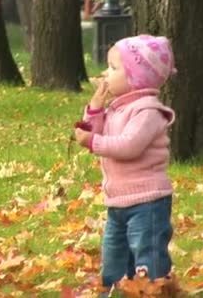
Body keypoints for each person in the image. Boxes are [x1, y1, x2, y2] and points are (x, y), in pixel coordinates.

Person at [74, 35, 177, 293]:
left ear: (136, 77)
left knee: (148, 255)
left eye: (113, 68)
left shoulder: (147, 111)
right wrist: (94, 110)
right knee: (114, 255)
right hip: (118, 201)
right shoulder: (117, 109)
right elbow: (100, 131)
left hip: (148, 201)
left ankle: (154, 290)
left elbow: (129, 146)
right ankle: (115, 290)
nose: (106, 73)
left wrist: (93, 141)